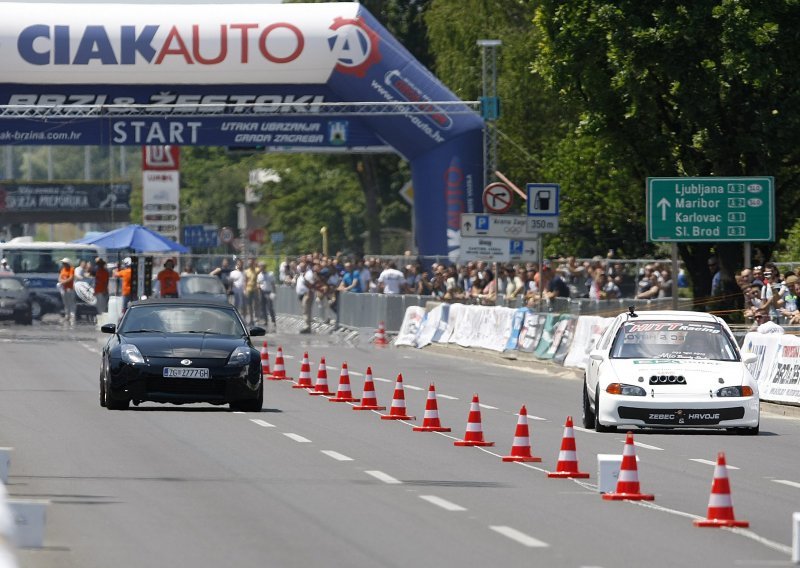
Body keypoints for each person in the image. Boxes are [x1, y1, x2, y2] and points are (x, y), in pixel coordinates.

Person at [295, 261, 317, 333]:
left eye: (302, 267)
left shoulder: (309, 274)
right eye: (300, 267)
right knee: (305, 310)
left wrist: (308, 293)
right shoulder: (302, 274)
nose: (301, 268)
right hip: (301, 294)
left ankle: (307, 326)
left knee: (306, 310)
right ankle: (307, 326)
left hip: (307, 294)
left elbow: (311, 284)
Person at [257, 261, 277, 331]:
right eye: (260, 267)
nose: (261, 268)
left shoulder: (270, 274)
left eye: (262, 267)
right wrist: (258, 287)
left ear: (265, 267)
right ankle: (266, 320)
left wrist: (274, 292)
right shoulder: (259, 275)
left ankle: (273, 320)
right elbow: (258, 283)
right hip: (262, 292)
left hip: (269, 292)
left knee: (270, 307)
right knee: (263, 307)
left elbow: (273, 283)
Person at [58, 257, 76, 325]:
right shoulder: (63, 269)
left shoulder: (71, 269)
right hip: (63, 289)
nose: (63, 264)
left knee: (71, 303)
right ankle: (67, 316)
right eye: (63, 263)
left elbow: (71, 278)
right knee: (65, 303)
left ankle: (72, 316)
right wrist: (61, 281)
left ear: (67, 263)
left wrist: (64, 282)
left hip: (69, 289)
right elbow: (60, 277)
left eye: (64, 263)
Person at [244, 258, 260, 325]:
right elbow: (245, 281)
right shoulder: (246, 271)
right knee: (249, 305)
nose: (250, 264)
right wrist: (244, 290)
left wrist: (256, 263)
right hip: (248, 289)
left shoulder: (257, 270)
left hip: (255, 290)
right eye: (249, 263)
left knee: (256, 305)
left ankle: (256, 317)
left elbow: (261, 268)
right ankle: (251, 319)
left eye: (251, 263)